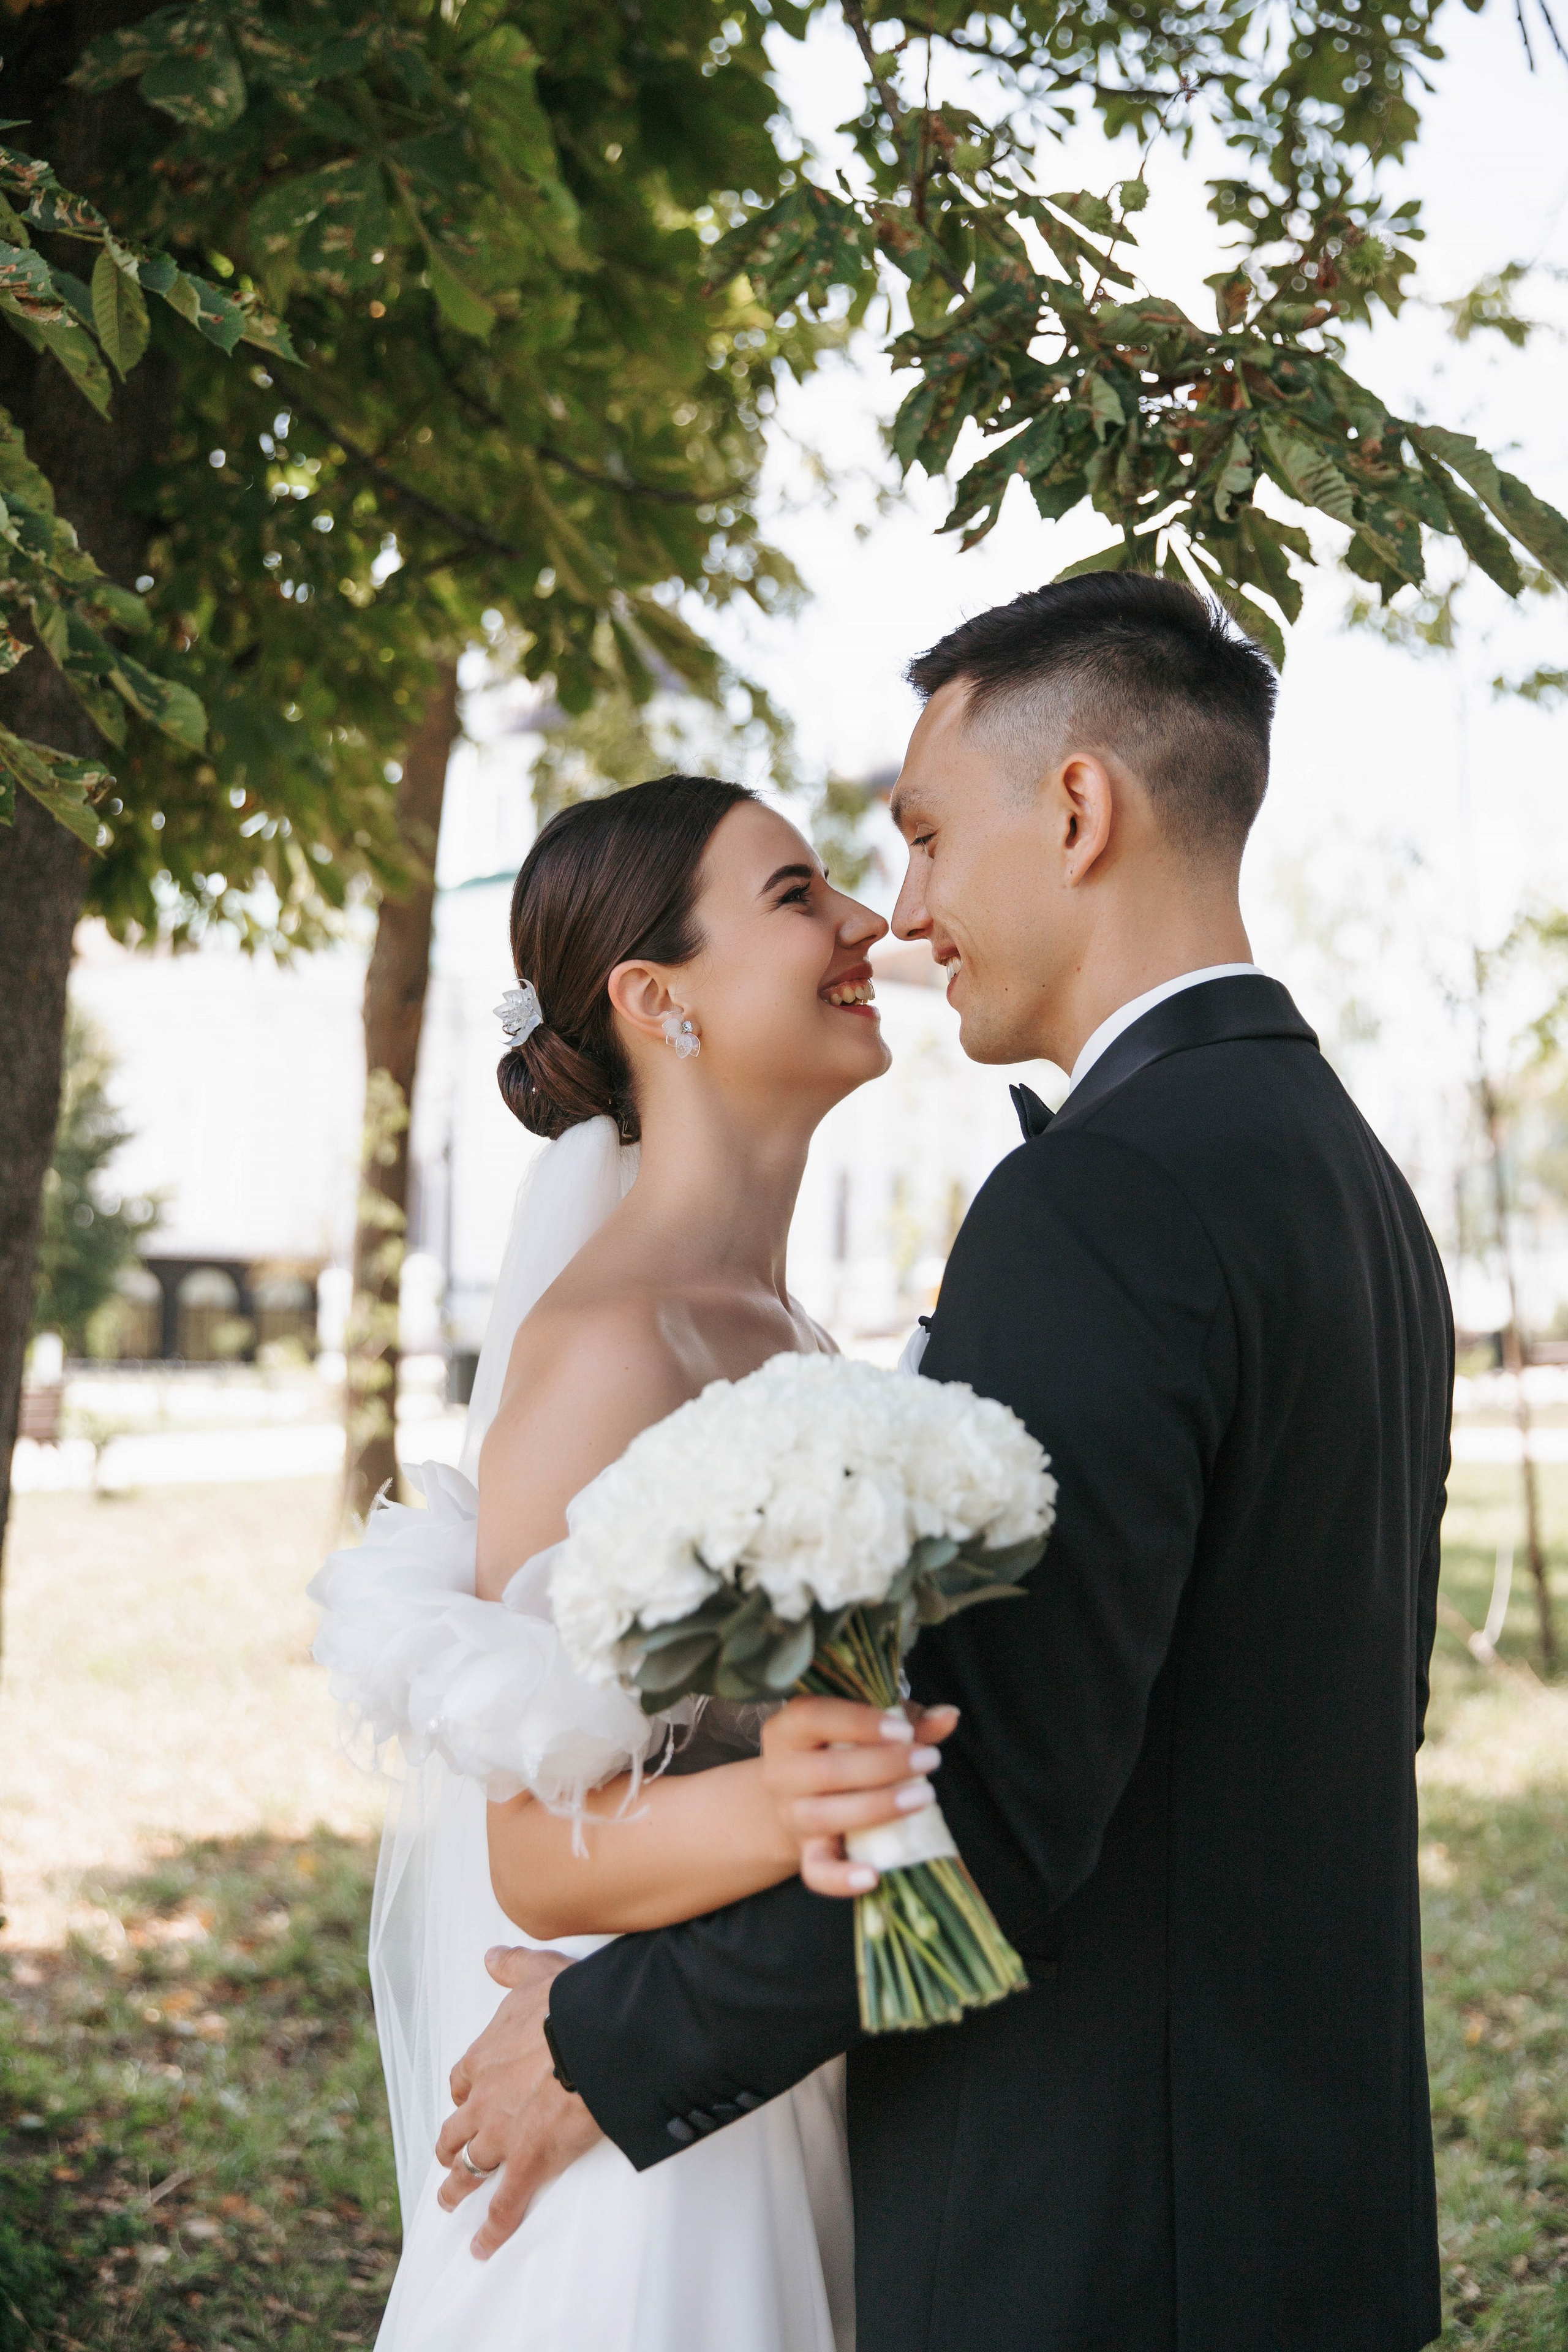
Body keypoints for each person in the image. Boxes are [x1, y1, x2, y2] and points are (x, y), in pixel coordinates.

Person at [438, 576, 1453, 2352]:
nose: (899, 911)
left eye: (920, 836)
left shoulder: (1100, 1198)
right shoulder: (1349, 1175)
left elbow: (995, 1798)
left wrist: (601, 2047)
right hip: (1291, 2197)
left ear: (1078, 811)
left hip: (1101, 2231)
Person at [312, 772, 954, 2352]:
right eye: (798, 896)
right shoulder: (613, 1342)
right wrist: (819, 1794)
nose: (866, 920)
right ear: (657, 998)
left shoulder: (785, 1330)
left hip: (780, 2067)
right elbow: (537, 1852)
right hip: (654, 2159)